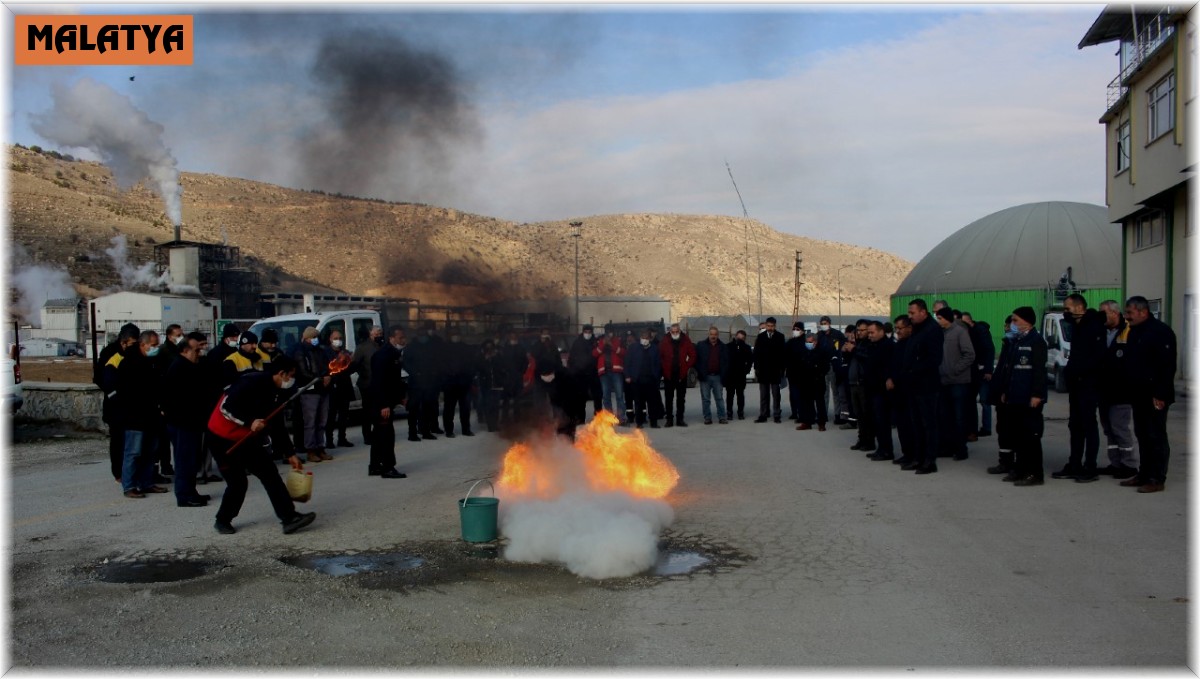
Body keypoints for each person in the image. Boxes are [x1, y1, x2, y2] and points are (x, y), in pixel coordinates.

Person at [206, 356, 316, 535]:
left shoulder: (278, 392)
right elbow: (226, 407)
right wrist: (249, 422)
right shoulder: (250, 382)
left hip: (247, 439)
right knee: (238, 483)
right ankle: (222, 519)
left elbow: (276, 424)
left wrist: (290, 454)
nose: (292, 381)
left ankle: (289, 518)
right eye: (291, 376)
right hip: (222, 438)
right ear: (281, 374)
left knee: (270, 475)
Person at [1119, 296, 1177, 493]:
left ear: (1143, 311)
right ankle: (1144, 473)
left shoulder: (1160, 332)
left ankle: (1156, 477)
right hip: (1138, 394)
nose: (1127, 317)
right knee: (1142, 434)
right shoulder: (1135, 332)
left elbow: (1167, 367)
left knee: (1155, 436)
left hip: (1155, 395)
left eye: (1130, 313)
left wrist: (1160, 394)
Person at [1051, 294, 1108, 483]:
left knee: (1088, 424)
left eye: (1068, 309)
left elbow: (1097, 358)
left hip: (1089, 384)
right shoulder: (1077, 326)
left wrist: (1081, 373)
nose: (1065, 312)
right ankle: (1074, 463)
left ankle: (1090, 466)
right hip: (1076, 383)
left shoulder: (1094, 326)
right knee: (1075, 425)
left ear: (1079, 307)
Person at [105, 329, 169, 498]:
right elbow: (122, 391)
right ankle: (129, 485)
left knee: (150, 451)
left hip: (151, 414)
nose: (156, 348)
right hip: (134, 415)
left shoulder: (152, 361)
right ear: (143, 344)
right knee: (133, 452)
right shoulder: (128, 363)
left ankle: (146, 482)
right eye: (153, 345)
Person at [991, 306, 1048, 486]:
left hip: (1029, 398)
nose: (1012, 324)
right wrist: (1005, 392)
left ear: (1027, 321)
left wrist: (1037, 394)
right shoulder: (1015, 341)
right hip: (1014, 397)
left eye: (1016, 320)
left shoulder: (1036, 341)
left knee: (1030, 436)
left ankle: (1034, 473)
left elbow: (1039, 372)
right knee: (1017, 436)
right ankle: (1020, 469)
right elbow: (1009, 371)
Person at [162, 332, 213, 507]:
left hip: (192, 421)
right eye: (196, 351)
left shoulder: (190, 366)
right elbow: (180, 398)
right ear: (185, 350)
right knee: (185, 459)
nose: (199, 354)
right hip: (183, 422)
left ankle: (191, 491)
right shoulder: (179, 367)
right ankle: (184, 495)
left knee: (192, 459)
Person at [1096, 300, 1138, 479]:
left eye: (1103, 312)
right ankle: (1115, 462)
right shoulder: (1103, 332)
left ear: (1114, 313)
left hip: (1121, 391)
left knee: (1119, 428)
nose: (1101, 316)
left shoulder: (1128, 332)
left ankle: (1129, 464)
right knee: (1109, 429)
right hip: (1104, 391)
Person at [901, 299, 943, 474]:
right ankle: (918, 458)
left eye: (912, 313)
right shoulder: (917, 330)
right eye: (909, 313)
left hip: (926, 384)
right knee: (916, 423)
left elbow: (934, 359)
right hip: (914, 385)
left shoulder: (932, 330)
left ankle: (929, 460)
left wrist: (913, 369)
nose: (909, 316)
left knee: (928, 424)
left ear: (923, 312)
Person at [95, 323, 140, 483]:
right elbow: (100, 378)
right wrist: (115, 395)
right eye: (133, 343)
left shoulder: (134, 353)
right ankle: (118, 473)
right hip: (115, 406)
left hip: (131, 406)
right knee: (118, 440)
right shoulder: (110, 354)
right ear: (124, 342)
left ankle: (133, 471)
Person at [368, 326, 409, 478]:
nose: (402, 340)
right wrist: (383, 404)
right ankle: (387, 467)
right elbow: (379, 382)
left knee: (379, 435)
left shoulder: (394, 354)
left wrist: (400, 397)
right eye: (400, 338)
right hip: (380, 403)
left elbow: (394, 380)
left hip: (387, 400)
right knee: (386, 435)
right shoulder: (383, 355)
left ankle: (374, 466)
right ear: (392, 338)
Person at [935, 307, 975, 461]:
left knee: (959, 417)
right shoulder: (940, 334)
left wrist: (955, 369)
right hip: (943, 381)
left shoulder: (959, 332)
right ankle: (947, 447)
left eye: (940, 318)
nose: (938, 321)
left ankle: (961, 449)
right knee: (945, 417)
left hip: (958, 381)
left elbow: (969, 354)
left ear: (946, 318)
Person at [293, 326, 333, 463]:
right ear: (307, 338)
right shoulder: (301, 351)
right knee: (311, 422)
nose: (315, 339)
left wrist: (328, 376)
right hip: (310, 390)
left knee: (322, 421)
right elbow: (303, 372)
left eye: (316, 337)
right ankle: (310, 449)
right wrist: (321, 379)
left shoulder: (320, 351)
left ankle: (320, 447)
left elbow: (328, 366)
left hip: (323, 389)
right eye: (313, 337)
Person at [986, 316, 1019, 476]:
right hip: (1002, 394)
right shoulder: (1008, 343)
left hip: (1013, 395)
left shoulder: (1023, 343)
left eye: (1012, 323)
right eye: (1007, 324)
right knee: (1003, 430)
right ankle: (1005, 462)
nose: (1007, 327)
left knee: (1015, 431)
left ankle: (1016, 464)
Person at [886, 316, 916, 464]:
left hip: (908, 389)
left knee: (910, 424)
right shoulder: (898, 345)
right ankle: (906, 452)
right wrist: (890, 378)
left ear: (909, 328)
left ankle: (913, 454)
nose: (897, 331)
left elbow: (907, 368)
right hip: (897, 391)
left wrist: (895, 379)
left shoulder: (912, 345)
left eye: (900, 328)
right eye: (896, 328)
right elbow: (893, 365)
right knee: (902, 424)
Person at [961, 312, 995, 439]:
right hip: (975, 372)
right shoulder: (970, 332)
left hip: (982, 372)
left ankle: (986, 428)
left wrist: (988, 370)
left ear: (970, 321)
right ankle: (975, 429)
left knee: (985, 400)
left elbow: (989, 350)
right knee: (972, 401)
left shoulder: (980, 331)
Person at [528, 359, 579, 440]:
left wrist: (564, 413)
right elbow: (539, 396)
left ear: (553, 372)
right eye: (544, 375)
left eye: (549, 374)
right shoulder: (539, 376)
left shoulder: (565, 375)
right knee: (558, 421)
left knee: (568, 421)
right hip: (555, 401)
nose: (547, 377)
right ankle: (561, 440)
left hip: (570, 400)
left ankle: (569, 440)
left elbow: (572, 396)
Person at [349, 326, 383, 445]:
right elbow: (355, 364)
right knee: (368, 412)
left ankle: (377, 433)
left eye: (380, 333)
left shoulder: (382, 346)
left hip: (380, 385)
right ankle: (367, 436)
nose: (379, 335)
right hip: (367, 384)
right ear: (371, 334)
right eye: (376, 333)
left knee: (379, 411)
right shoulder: (363, 348)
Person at [847, 319, 877, 451]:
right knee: (859, 414)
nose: (859, 333)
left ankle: (869, 441)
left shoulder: (869, 344)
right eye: (857, 330)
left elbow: (867, 359)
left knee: (866, 414)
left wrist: (854, 350)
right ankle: (862, 438)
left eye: (862, 330)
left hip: (863, 383)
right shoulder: (858, 344)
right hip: (854, 382)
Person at [792, 331, 831, 431]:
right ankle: (807, 422)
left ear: (815, 342)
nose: (808, 344)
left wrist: (819, 373)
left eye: (810, 342)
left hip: (818, 381)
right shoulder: (803, 351)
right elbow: (799, 365)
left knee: (820, 403)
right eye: (807, 342)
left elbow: (826, 366)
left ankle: (821, 423)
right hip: (805, 381)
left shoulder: (822, 351)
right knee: (806, 402)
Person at [659, 323, 696, 427]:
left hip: (681, 374)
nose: (675, 333)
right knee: (668, 398)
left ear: (680, 331)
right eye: (673, 332)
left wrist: (686, 365)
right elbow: (659, 355)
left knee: (681, 399)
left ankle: (680, 419)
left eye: (676, 331)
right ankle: (669, 420)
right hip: (669, 375)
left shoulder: (685, 340)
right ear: (670, 332)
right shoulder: (665, 341)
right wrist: (664, 366)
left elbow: (692, 355)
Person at [625, 329, 662, 428]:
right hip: (637, 380)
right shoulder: (634, 348)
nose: (644, 340)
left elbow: (658, 364)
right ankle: (639, 423)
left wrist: (657, 377)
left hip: (651, 379)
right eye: (642, 338)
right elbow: (627, 362)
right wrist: (628, 376)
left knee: (652, 402)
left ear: (650, 338)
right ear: (640, 338)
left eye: (646, 338)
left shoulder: (654, 348)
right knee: (638, 402)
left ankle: (653, 423)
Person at [442, 330, 476, 437]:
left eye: (457, 334)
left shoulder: (466, 348)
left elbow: (471, 364)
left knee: (465, 408)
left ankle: (466, 429)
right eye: (453, 335)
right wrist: (448, 374)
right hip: (450, 383)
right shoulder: (445, 349)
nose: (456, 337)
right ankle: (449, 430)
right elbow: (441, 364)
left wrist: (468, 376)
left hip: (464, 383)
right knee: (449, 409)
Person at [753, 317, 786, 423]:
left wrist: (782, 369)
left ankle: (777, 414)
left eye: (772, 326)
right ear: (766, 326)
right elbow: (756, 354)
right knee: (764, 395)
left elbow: (782, 355)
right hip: (763, 371)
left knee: (776, 394)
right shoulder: (761, 337)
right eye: (768, 326)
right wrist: (757, 368)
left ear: (775, 326)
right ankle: (763, 414)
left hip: (775, 371)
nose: (770, 328)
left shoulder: (780, 337)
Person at [695, 326, 729, 425]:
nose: (713, 336)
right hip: (705, 376)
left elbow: (726, 362)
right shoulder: (701, 345)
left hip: (718, 377)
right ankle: (707, 418)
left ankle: (722, 417)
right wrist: (700, 372)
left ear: (718, 335)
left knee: (719, 398)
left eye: (715, 334)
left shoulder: (723, 346)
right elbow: (696, 360)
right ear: (708, 334)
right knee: (706, 399)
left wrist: (724, 373)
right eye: (711, 334)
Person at [816, 317, 847, 424]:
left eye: (825, 323)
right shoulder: (819, 335)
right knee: (823, 392)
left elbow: (843, 347)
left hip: (834, 366)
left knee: (836, 392)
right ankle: (822, 414)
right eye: (822, 323)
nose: (823, 325)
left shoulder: (837, 334)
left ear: (829, 324)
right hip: (822, 366)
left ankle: (838, 414)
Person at [568, 324, 602, 423]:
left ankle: (598, 418)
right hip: (580, 374)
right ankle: (580, 418)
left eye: (589, 332)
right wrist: (573, 371)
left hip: (593, 373)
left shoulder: (595, 342)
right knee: (581, 398)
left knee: (597, 396)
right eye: (586, 332)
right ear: (583, 332)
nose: (587, 334)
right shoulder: (577, 342)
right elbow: (572, 357)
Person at [593, 330, 628, 425]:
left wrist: (612, 345)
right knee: (606, 397)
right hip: (603, 372)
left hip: (616, 371)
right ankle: (610, 419)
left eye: (611, 332)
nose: (609, 334)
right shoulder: (599, 341)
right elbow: (594, 354)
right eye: (607, 332)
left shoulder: (618, 341)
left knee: (619, 395)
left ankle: (621, 418)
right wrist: (603, 344)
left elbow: (623, 353)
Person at [477, 339, 508, 433]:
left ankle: (495, 424)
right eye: (488, 347)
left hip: (497, 383)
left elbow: (502, 367)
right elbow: (479, 368)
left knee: (496, 405)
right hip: (486, 384)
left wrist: (495, 358)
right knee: (488, 405)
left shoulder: (498, 357)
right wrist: (486, 360)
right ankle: (490, 425)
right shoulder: (481, 357)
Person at [723, 329, 753, 420]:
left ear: (744, 339)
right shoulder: (728, 347)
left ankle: (740, 412)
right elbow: (724, 360)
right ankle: (729, 412)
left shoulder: (747, 348)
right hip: (730, 376)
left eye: (742, 338)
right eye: (739, 337)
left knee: (740, 395)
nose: (740, 339)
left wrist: (746, 371)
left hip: (741, 376)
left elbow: (750, 361)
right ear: (735, 336)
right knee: (730, 396)